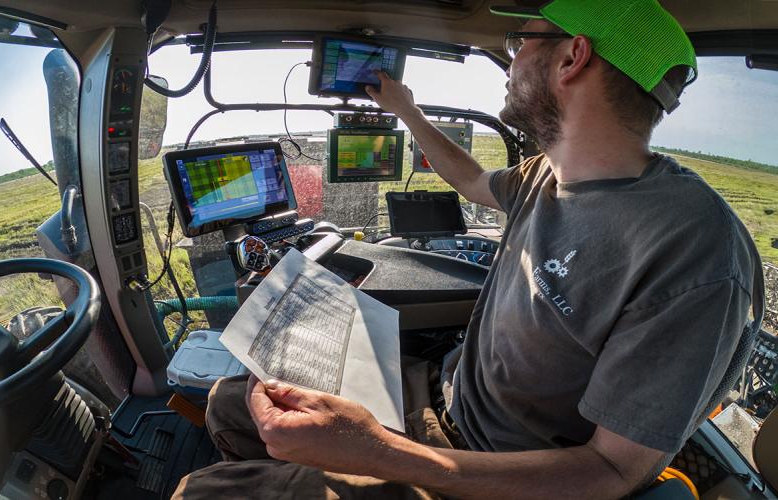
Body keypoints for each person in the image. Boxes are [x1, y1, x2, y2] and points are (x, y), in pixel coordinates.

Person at [173, 0, 760, 498]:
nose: (511, 59)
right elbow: (474, 181)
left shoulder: (696, 252)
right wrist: (404, 110)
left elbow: (611, 473)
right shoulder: (550, 176)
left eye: (520, 41)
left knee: (203, 492)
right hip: (436, 398)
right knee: (231, 401)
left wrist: (378, 453)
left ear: (572, 57)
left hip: (485, 473)